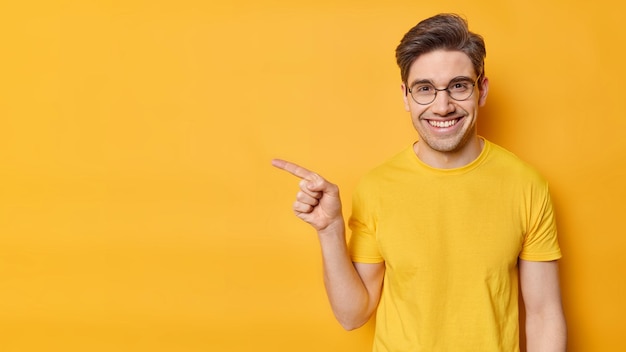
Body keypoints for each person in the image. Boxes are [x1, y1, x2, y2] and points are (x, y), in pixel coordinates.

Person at [272, 13, 566, 351]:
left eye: (458, 85)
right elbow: (352, 315)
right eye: (425, 89)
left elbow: (544, 314)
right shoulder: (376, 187)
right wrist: (330, 230)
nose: (442, 106)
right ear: (406, 96)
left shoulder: (527, 185)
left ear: (481, 90)